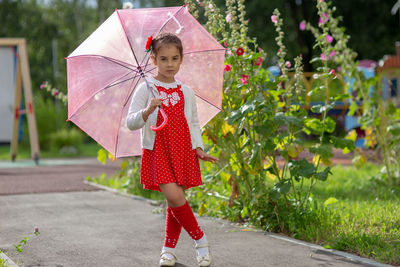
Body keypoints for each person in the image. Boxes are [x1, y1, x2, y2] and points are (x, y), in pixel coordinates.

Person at [126, 33, 218, 267]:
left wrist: (198, 148)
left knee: (174, 202)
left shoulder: (185, 91)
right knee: (175, 196)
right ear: (154, 59)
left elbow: (194, 123)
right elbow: (131, 122)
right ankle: (201, 241)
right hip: (159, 151)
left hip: (183, 151)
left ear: (181, 59)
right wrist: (147, 111)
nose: (170, 64)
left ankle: (168, 251)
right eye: (164, 59)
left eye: (174, 59)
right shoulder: (146, 89)